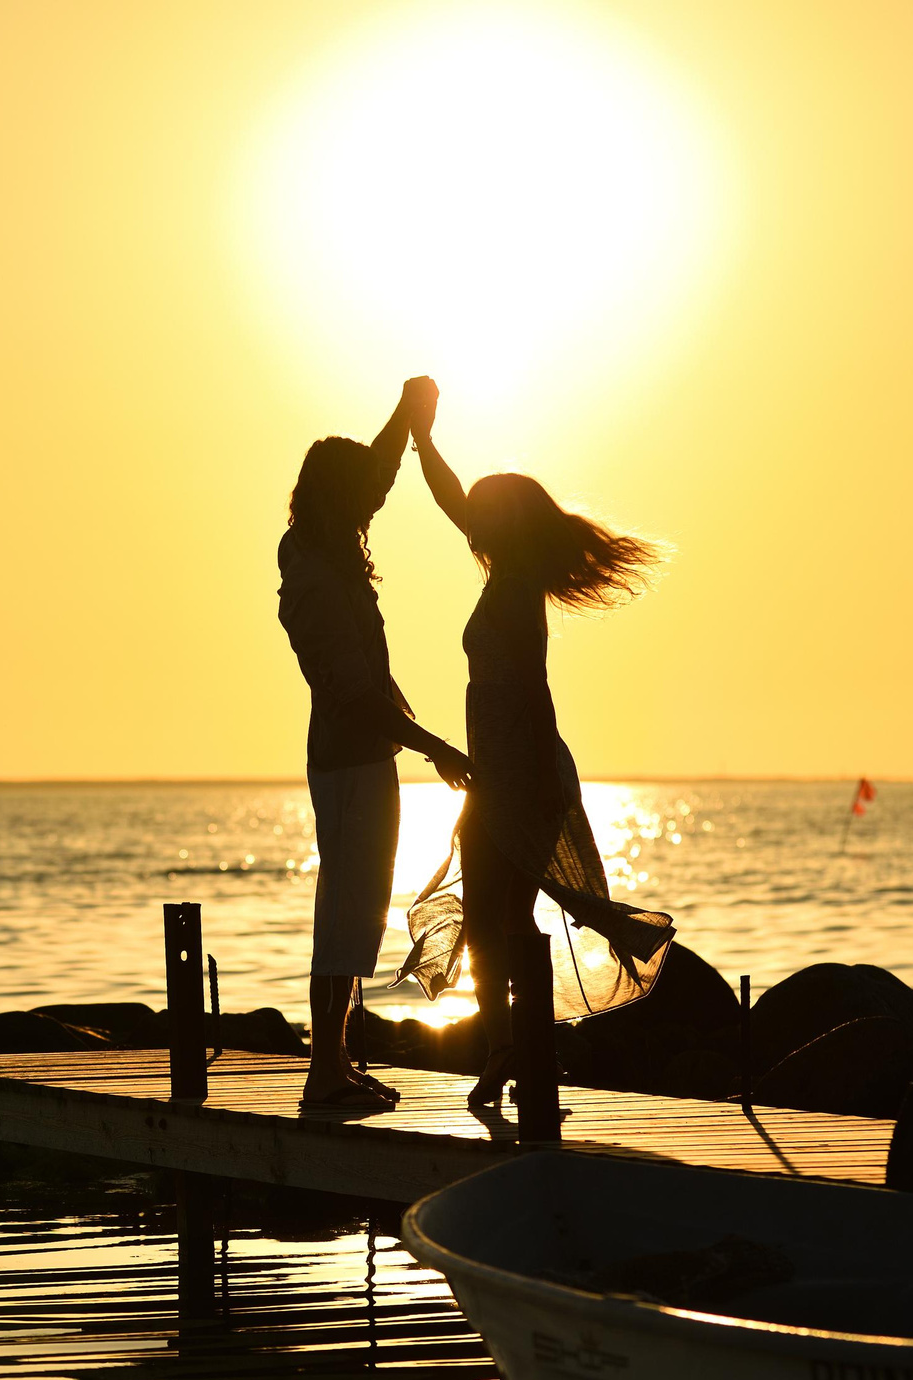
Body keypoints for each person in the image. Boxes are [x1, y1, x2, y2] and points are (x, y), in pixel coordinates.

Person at [397, 379, 676, 1106]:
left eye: (485, 514)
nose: (472, 522)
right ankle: (510, 1050)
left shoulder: (516, 586)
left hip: (519, 770)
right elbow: (453, 498)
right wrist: (422, 438)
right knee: (497, 919)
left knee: (501, 917)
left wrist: (516, 781)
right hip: (501, 771)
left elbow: (530, 694)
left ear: (504, 524)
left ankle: (514, 1052)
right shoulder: (503, 571)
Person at [277, 379, 471, 1110]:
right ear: (333, 498)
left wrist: (406, 412)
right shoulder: (317, 576)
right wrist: (437, 748)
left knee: (356, 916)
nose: (371, 500)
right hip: (352, 758)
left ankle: (340, 1064)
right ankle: (324, 1072)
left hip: (359, 758)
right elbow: (358, 698)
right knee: (343, 922)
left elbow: (377, 476)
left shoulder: (323, 544)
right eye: (354, 492)